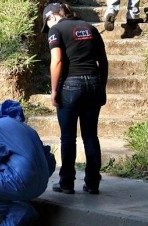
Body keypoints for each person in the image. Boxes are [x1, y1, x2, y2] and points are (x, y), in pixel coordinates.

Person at [41, 3, 108, 194]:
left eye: (47, 22)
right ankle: (93, 183)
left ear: (51, 17)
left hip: (71, 86)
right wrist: (101, 86)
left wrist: (54, 91)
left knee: (68, 138)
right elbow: (102, 61)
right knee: (91, 136)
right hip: (93, 83)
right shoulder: (90, 28)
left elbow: (58, 61)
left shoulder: (56, 30)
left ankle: (67, 183)